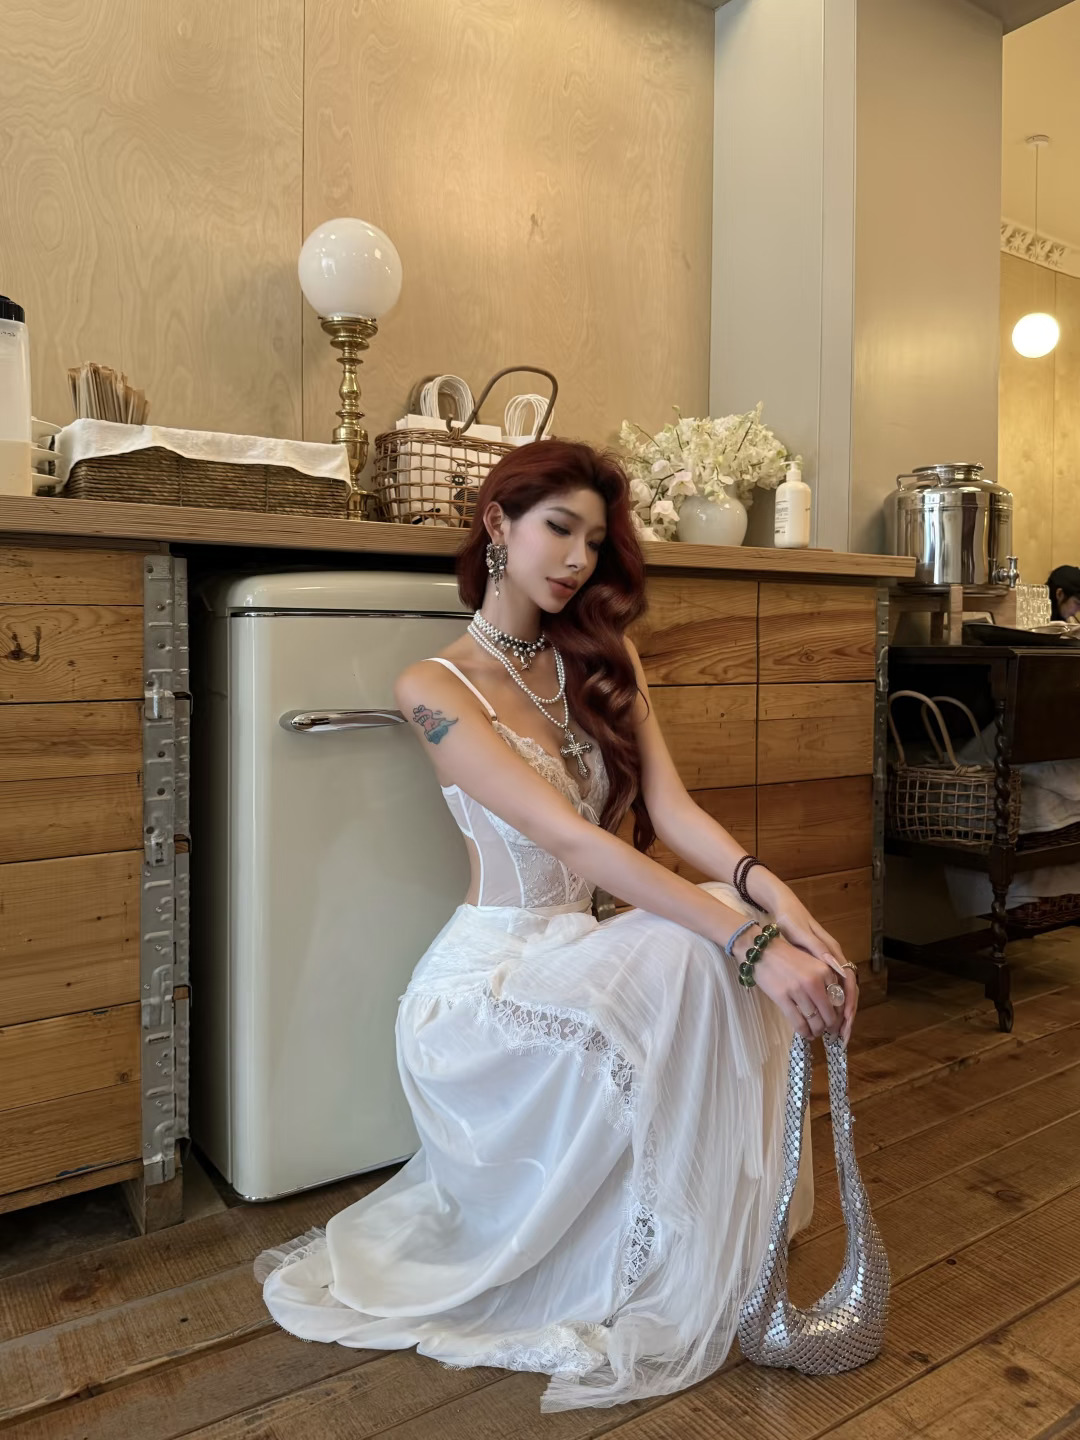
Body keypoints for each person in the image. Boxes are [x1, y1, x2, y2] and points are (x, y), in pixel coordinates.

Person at [255, 440, 859, 1411]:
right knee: (703, 940)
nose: (578, 559)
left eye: (594, 541)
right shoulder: (433, 687)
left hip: (578, 949)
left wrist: (772, 895)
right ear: (498, 525)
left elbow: (670, 811)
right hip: (486, 991)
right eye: (558, 529)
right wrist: (749, 942)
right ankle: (660, 1242)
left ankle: (700, 1230)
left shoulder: (600, 657)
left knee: (725, 916)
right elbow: (573, 842)